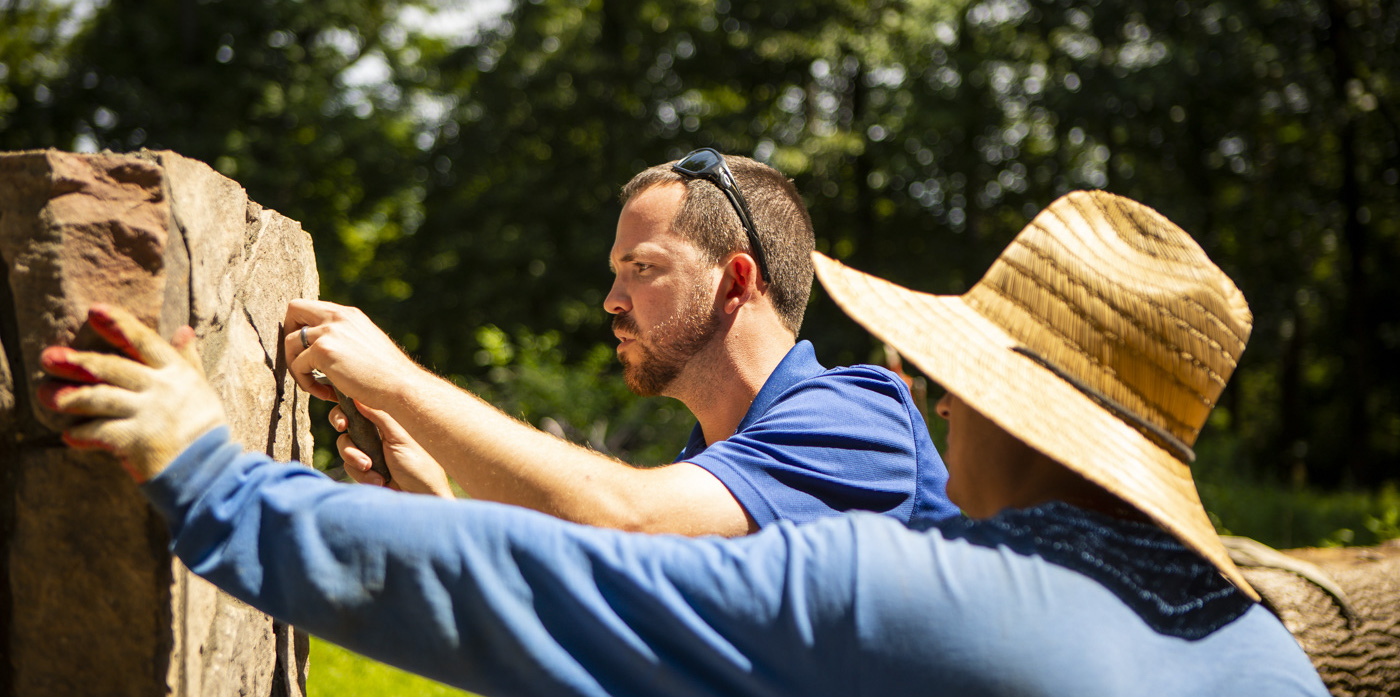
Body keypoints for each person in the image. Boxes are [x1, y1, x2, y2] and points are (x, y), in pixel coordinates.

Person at [39, 190, 1327, 695]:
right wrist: (436, 495)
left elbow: (606, 564)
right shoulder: (1259, 650)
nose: (934, 399)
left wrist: (214, 475)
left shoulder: (890, 531)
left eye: (962, 382)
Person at [283, 148, 957, 535]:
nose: (612, 300)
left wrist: (396, 380)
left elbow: (623, 518)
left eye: (643, 268)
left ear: (735, 281)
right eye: (615, 273)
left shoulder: (861, 420)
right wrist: (439, 516)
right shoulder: (708, 470)